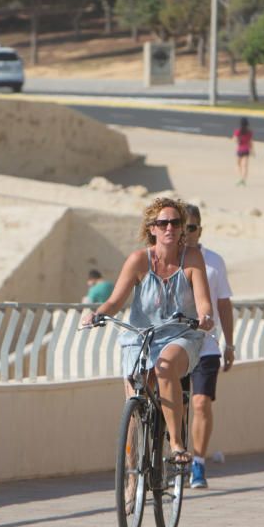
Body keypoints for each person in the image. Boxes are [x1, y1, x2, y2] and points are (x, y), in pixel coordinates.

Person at [81, 197, 214, 466]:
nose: (169, 228)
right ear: (151, 228)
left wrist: (205, 317)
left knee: (164, 367)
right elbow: (115, 301)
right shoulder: (138, 261)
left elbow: (204, 302)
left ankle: (176, 444)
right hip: (143, 337)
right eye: (162, 223)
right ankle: (131, 478)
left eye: (175, 223)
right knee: (134, 402)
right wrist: (97, 314)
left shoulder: (193, 259)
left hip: (181, 335)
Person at [184, 205, 235, 490]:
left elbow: (224, 304)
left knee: (201, 402)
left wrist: (230, 343)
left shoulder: (214, 262)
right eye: (183, 227)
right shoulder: (169, 260)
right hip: (175, 344)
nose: (186, 233)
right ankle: (176, 454)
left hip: (207, 345)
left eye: (192, 228)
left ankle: (198, 463)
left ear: (200, 230)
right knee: (176, 405)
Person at [233, 117, 253, 186]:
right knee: (245, 165)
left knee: (238, 164)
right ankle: (244, 179)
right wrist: (252, 150)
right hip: (246, 150)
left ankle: (241, 177)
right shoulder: (249, 132)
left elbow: (235, 140)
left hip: (240, 149)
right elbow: (250, 142)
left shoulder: (238, 131)